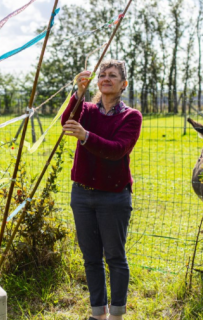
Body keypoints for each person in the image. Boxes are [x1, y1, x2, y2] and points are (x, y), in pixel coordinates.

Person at [61, 59, 142, 320]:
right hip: (82, 195)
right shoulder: (86, 109)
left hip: (114, 196)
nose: (106, 78)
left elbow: (117, 150)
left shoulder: (131, 116)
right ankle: (98, 314)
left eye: (113, 75)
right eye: (102, 75)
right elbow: (67, 121)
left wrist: (85, 136)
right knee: (91, 258)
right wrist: (78, 93)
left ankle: (117, 314)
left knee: (115, 257)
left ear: (123, 84)